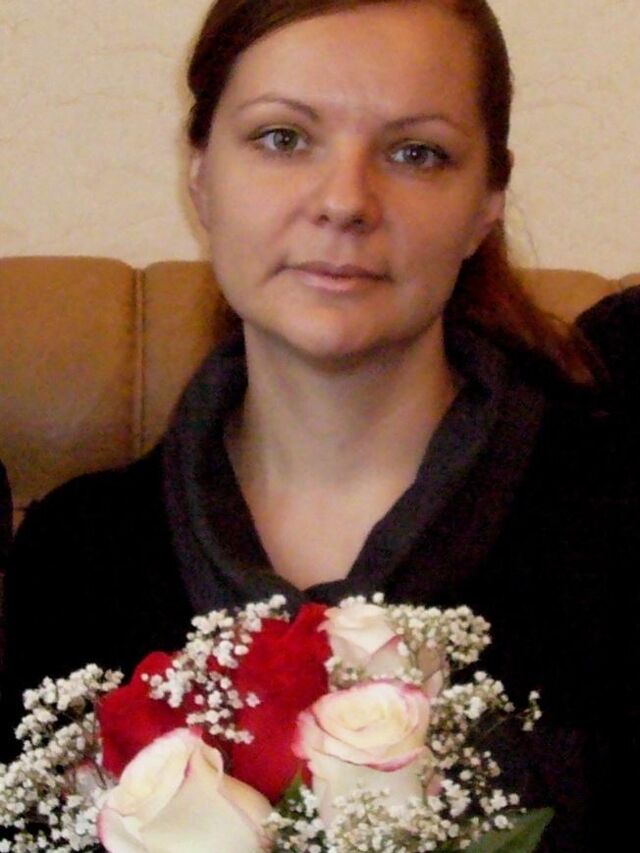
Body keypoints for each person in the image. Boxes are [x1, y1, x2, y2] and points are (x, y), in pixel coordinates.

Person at [1, 1, 637, 849]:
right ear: (201, 175)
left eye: (416, 153)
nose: (345, 201)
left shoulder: (617, 519)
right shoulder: (72, 559)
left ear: (487, 200)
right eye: (283, 138)